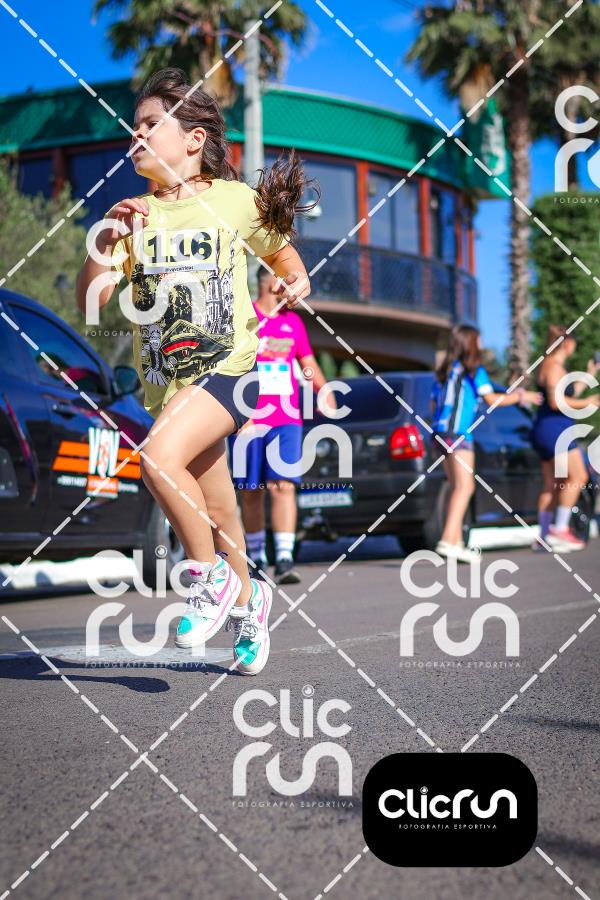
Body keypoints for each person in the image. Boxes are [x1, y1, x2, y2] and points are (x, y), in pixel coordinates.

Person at [76, 67, 315, 675]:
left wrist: (296, 282)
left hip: (231, 369)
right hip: (170, 386)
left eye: (150, 125)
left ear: (193, 138)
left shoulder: (233, 200)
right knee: (221, 510)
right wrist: (106, 241)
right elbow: (92, 301)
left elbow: (286, 258)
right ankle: (249, 603)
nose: (136, 136)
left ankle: (206, 577)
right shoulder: (131, 215)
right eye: (133, 127)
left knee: (157, 460)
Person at [230, 269, 335, 585]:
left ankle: (285, 559)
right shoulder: (245, 316)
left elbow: (308, 364)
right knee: (251, 491)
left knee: (283, 485)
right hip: (248, 418)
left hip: (286, 417)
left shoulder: (294, 323)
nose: (297, 292)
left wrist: (324, 390)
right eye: (291, 285)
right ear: (272, 284)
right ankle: (258, 558)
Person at [431, 324, 541, 563]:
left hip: (439, 433)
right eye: (479, 340)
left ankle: (456, 542)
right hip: (459, 434)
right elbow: (491, 399)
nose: (481, 345)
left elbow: (433, 404)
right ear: (470, 343)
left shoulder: (444, 372)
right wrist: (520, 396)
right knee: (465, 487)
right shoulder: (473, 370)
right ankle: (448, 540)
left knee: (455, 486)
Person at [531, 325, 600, 552]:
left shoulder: (552, 366)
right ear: (567, 343)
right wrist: (588, 403)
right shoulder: (553, 366)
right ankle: (560, 530)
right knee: (578, 475)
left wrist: (590, 373)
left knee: (552, 484)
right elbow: (556, 401)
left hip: (547, 429)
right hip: (555, 430)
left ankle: (544, 537)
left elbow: (570, 394)